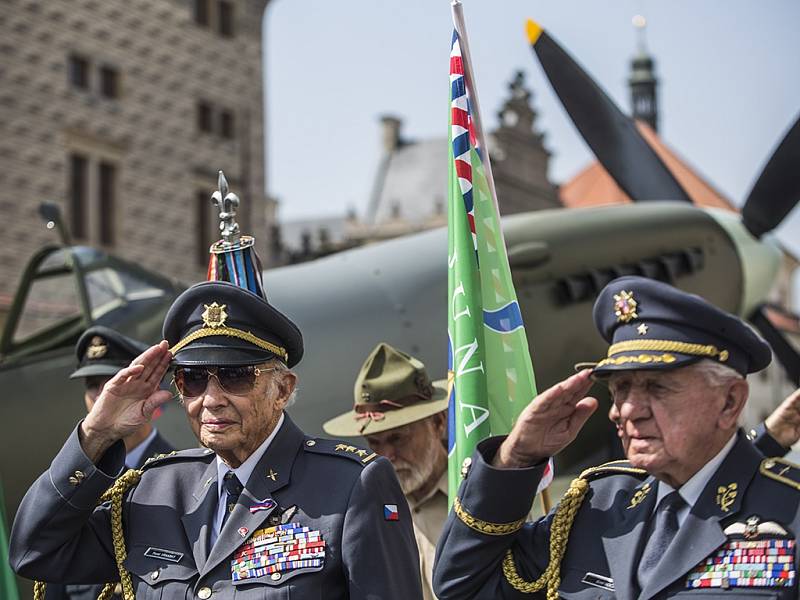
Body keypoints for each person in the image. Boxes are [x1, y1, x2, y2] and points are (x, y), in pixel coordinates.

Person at [10, 280, 421, 599]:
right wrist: (96, 434)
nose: (211, 400)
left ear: (282, 389)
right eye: (192, 380)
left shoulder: (350, 486)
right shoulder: (156, 488)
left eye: (236, 376)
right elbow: (35, 552)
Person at [433, 275, 800, 599]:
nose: (626, 410)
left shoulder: (789, 514)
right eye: (621, 388)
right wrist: (514, 458)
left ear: (730, 402)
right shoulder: (598, 505)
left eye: (657, 387)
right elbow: (462, 588)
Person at [46, 326, 175, 600]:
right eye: (93, 386)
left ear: (149, 389)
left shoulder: (179, 476)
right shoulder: (76, 479)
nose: (102, 397)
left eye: (114, 383)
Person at [323, 342, 449, 600]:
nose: (386, 457)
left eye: (398, 439)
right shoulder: (361, 511)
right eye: (374, 443)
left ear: (438, 423)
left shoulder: (475, 498)